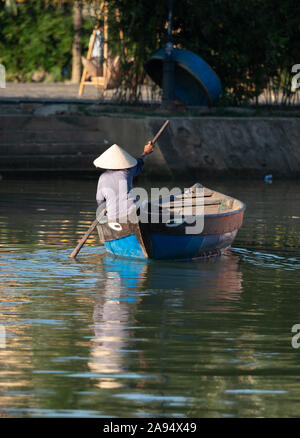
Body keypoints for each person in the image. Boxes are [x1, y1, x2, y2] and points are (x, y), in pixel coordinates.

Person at [94, 142, 154, 221]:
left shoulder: (102, 178)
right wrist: (146, 152)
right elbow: (139, 162)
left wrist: (106, 208)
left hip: (113, 217)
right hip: (134, 212)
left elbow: (100, 201)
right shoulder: (127, 171)